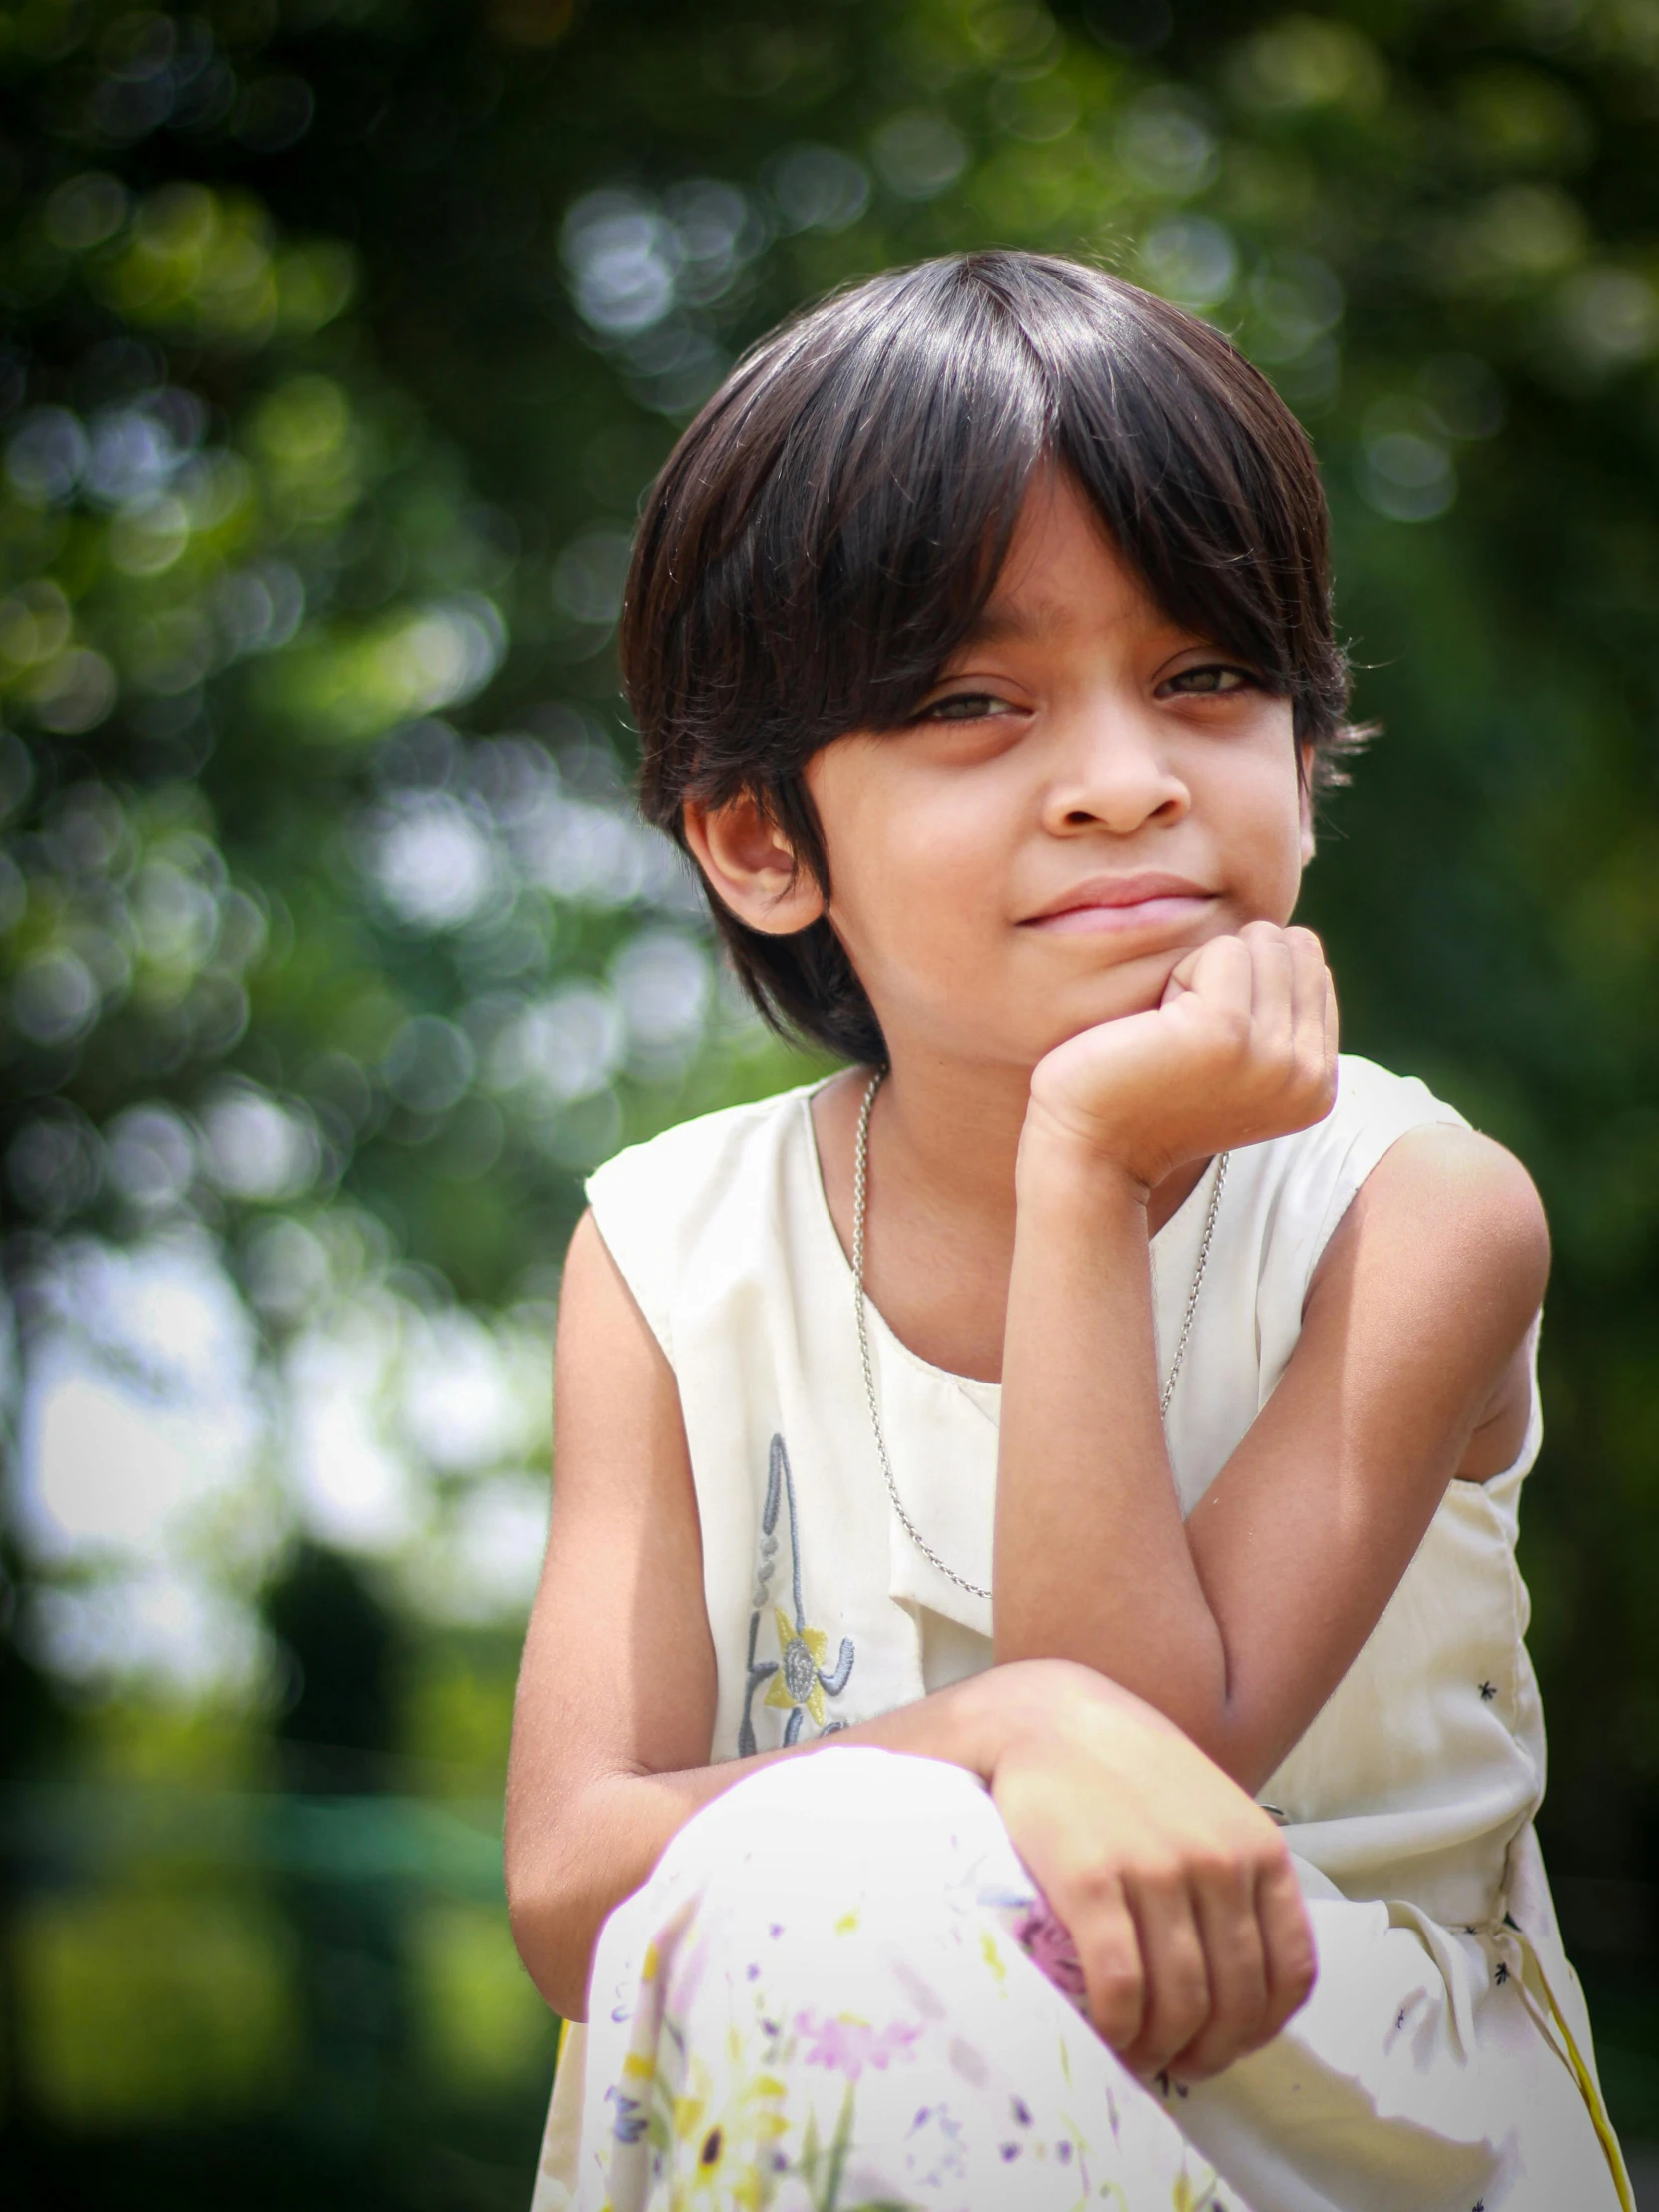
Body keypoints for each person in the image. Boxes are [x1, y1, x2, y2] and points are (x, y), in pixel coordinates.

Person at [505, 251, 1630, 2212]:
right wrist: (999, 1728)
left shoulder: (1417, 1211)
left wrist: (1088, 1170)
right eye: (971, 700)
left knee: (830, 1876)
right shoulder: (675, 1257)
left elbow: (1156, 1768)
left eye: (1205, 675)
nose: (1123, 781)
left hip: (1350, 2128)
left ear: (1301, 746)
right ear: (764, 839)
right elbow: (571, 1885)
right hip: (850, 2098)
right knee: (803, 1890)